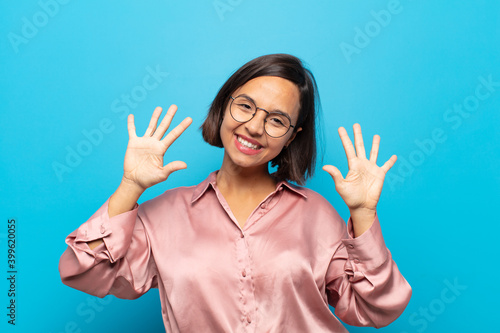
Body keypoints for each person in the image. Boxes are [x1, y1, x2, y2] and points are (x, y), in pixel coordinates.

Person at [59, 54, 411, 332]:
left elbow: (375, 308)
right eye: (245, 106)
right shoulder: (163, 216)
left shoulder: (317, 216)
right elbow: (84, 271)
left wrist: (364, 213)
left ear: (292, 135)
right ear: (224, 105)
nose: (255, 127)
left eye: (276, 120)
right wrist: (130, 186)